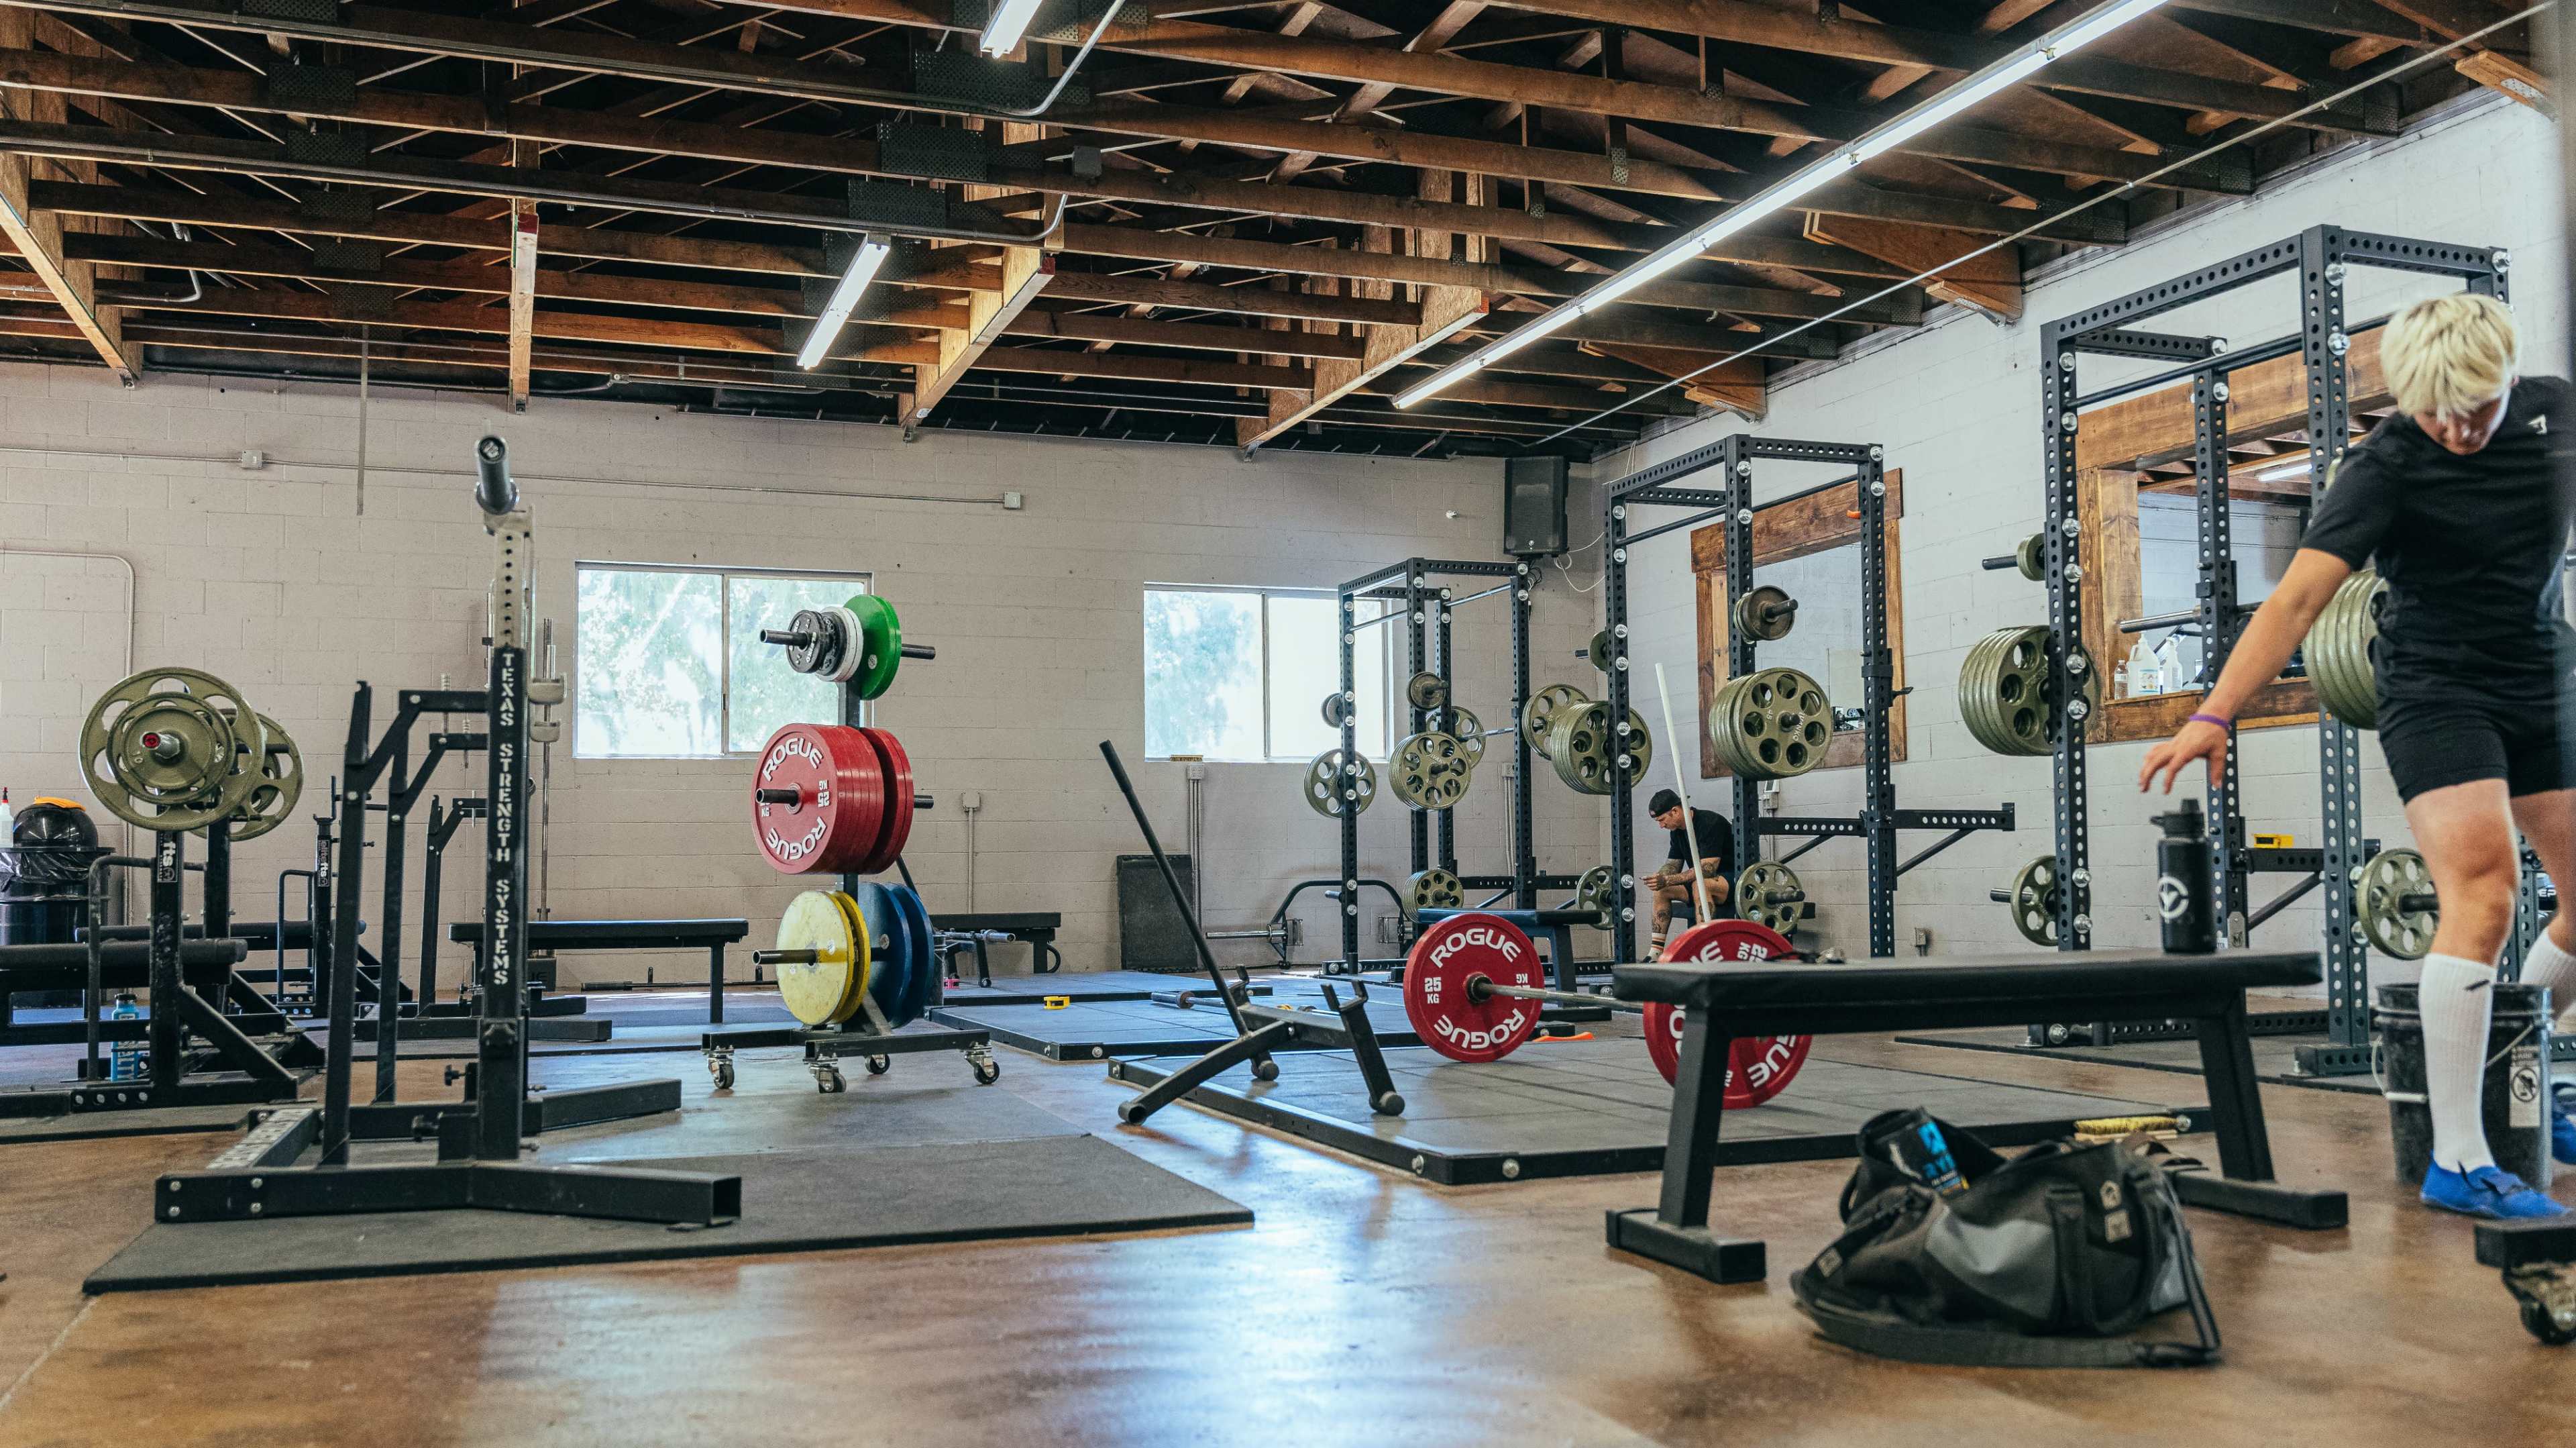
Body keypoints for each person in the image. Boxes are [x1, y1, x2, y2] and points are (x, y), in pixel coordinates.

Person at [2139, 292, 2575, 1221]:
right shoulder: (2385, 465)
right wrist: (2213, 715)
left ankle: (2525, 1080)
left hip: (2543, 676)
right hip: (2435, 685)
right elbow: (2295, 604)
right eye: (2434, 411)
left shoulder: (2556, 414)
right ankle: (2459, 1157)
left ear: (2508, 380)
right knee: (2488, 892)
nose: (2457, 427)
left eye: (2477, 407)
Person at [1644, 788, 1734, 958]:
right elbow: (1672, 865)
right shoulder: (1677, 832)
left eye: (1662, 820)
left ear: (1676, 811)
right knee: (1661, 890)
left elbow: (1708, 869)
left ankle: (1703, 947)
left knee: (1701, 884)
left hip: (1732, 880)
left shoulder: (1710, 822)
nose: (1661, 825)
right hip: (1701, 883)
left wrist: (1668, 879)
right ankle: (1655, 954)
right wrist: (1659, 879)